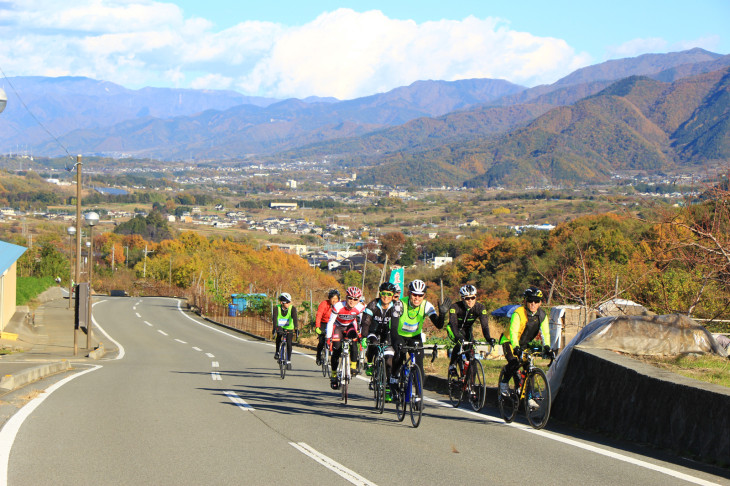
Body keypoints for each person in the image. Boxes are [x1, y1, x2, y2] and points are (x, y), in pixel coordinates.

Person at [390, 279, 450, 388]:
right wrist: (397, 340)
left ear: (424, 295)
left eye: (420, 295)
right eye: (414, 294)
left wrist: (442, 314)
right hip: (399, 335)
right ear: (409, 293)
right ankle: (393, 377)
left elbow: (439, 325)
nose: (417, 298)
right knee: (400, 354)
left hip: (415, 337)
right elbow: (393, 327)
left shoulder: (427, 305)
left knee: (419, 363)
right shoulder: (399, 304)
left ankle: (418, 395)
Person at [498, 286, 551, 407]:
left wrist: (547, 346)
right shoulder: (519, 313)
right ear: (525, 301)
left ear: (540, 303)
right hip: (510, 341)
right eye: (530, 301)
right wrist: (516, 347)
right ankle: (504, 383)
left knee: (529, 367)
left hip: (524, 343)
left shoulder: (542, 315)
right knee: (514, 362)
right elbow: (513, 331)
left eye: (536, 301)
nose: (533, 304)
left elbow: (545, 333)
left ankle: (529, 397)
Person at [361, 282, 403, 401]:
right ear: (380, 293)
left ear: (393, 295)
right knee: (373, 344)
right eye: (383, 293)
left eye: (389, 294)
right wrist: (364, 336)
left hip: (389, 334)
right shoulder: (372, 305)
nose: (385, 297)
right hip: (374, 331)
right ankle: (369, 362)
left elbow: (400, 322)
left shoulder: (396, 306)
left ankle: (388, 388)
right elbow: (365, 322)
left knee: (389, 361)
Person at [446, 285, 495, 374]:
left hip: (467, 330)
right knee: (459, 342)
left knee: (470, 354)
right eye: (467, 298)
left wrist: (488, 338)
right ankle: (452, 364)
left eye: (473, 298)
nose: (470, 301)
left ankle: (469, 383)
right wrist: (457, 336)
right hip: (454, 329)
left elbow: (485, 326)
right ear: (462, 298)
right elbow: (453, 324)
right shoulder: (455, 307)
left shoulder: (480, 308)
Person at [326, 286, 366, 389]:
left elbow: (363, 323)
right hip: (338, 326)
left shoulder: (360, 307)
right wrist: (328, 337)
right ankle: (334, 375)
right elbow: (330, 322)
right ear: (346, 297)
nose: (352, 301)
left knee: (354, 341)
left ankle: (353, 365)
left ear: (359, 299)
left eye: (355, 299)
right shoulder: (338, 306)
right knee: (337, 349)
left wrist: (362, 334)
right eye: (350, 298)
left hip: (349, 326)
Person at [272, 293, 298, 370]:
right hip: (279, 326)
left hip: (289, 327)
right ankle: (277, 352)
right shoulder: (276, 308)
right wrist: (274, 329)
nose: (289, 303)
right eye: (287, 302)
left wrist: (296, 329)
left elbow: (295, 319)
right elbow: (274, 319)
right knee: (279, 336)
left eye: (289, 302)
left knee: (289, 343)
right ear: (282, 303)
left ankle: (289, 360)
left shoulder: (292, 308)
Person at [314, 289, 340, 366]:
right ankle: (318, 355)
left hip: (334, 323)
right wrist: (317, 327)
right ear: (329, 298)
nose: (334, 300)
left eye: (336, 298)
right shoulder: (324, 304)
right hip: (324, 323)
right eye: (333, 298)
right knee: (321, 341)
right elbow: (319, 315)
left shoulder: (339, 305)